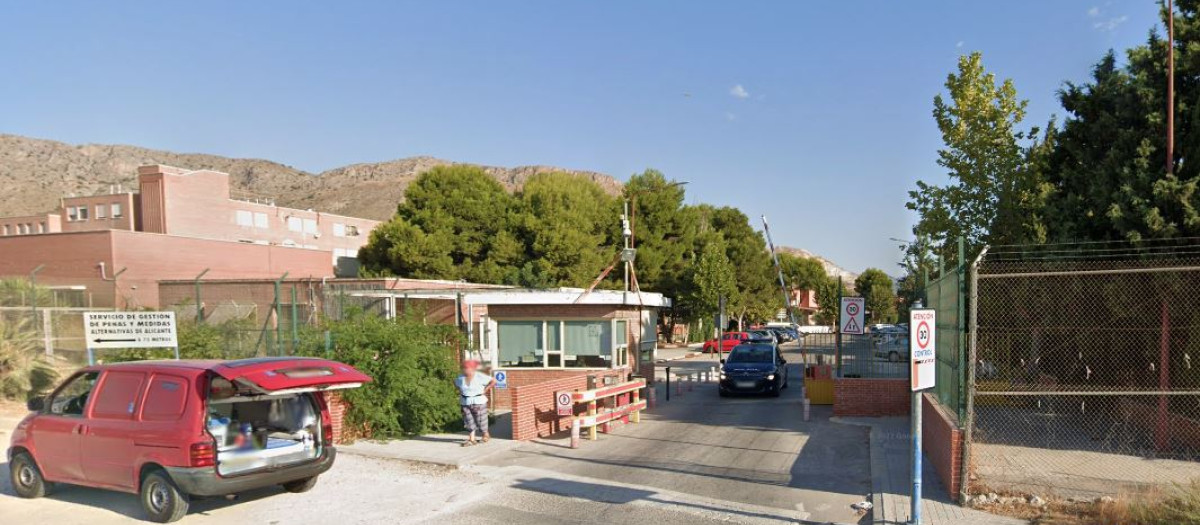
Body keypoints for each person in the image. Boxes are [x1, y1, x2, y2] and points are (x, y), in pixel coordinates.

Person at [454, 359, 494, 446]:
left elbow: (493, 381)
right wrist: (460, 391)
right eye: (464, 368)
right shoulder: (461, 377)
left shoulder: (480, 376)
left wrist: (485, 390)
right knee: (468, 420)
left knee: (480, 420)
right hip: (465, 402)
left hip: (479, 401)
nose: (465, 370)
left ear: (472, 369)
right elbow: (455, 383)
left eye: (467, 368)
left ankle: (485, 434)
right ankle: (472, 439)